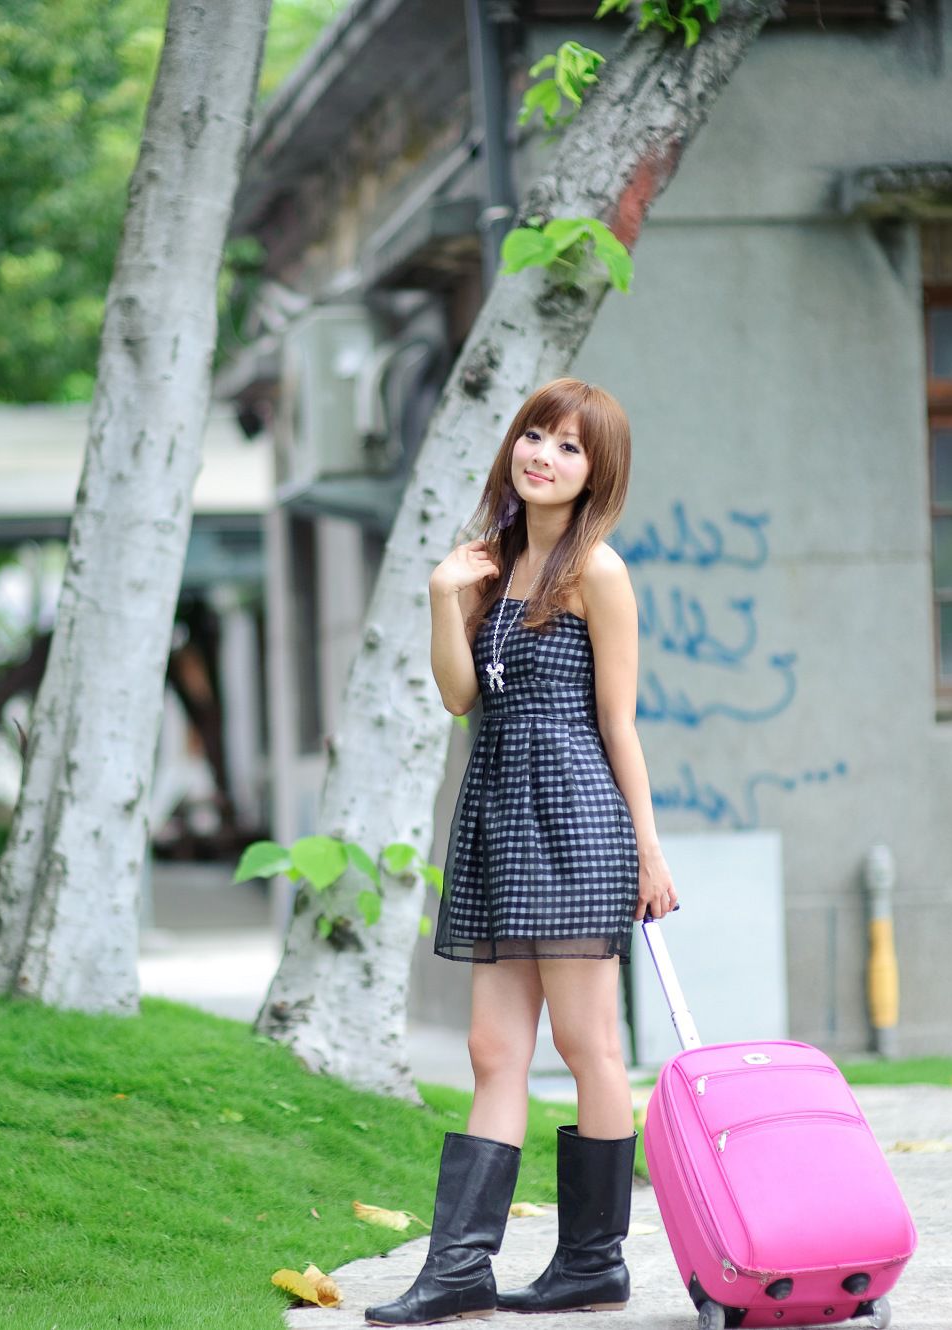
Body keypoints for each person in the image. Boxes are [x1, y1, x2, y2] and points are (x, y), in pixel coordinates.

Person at [365, 378, 679, 1326]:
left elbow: (619, 724)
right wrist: (441, 596)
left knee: (589, 1046)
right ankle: (460, 1270)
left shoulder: (600, 573)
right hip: (499, 819)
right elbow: (461, 696)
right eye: (535, 435)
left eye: (570, 447)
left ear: (596, 473)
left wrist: (649, 851)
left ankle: (593, 1262)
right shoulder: (488, 565)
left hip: (575, 821)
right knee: (493, 1048)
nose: (544, 455)